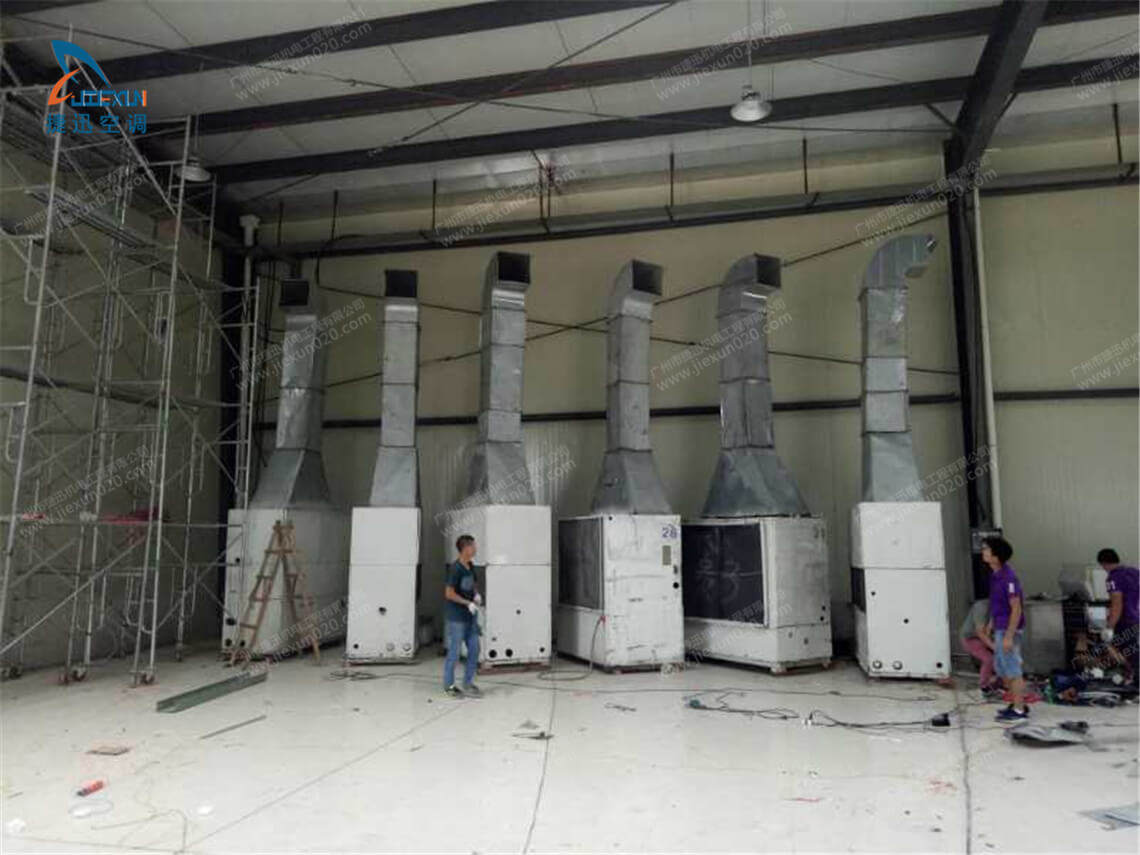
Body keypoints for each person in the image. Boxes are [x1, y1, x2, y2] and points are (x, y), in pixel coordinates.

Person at [982, 536, 1028, 721]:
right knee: (1004, 669)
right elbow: (997, 603)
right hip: (1000, 626)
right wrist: (990, 623)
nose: (983, 551)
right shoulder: (996, 575)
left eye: (986, 549)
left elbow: (1016, 609)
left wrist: (1009, 636)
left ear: (996, 555)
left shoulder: (1008, 578)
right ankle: (1017, 703)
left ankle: (1019, 710)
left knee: (1012, 670)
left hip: (1009, 629)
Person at [443, 534, 482, 698]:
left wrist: (476, 594)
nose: (475, 548)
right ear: (465, 548)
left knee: (475, 649)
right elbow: (449, 593)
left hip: (470, 618)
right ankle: (449, 685)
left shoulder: (470, 565)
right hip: (457, 618)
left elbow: (473, 584)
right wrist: (467, 603)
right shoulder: (455, 569)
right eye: (473, 546)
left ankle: (468, 682)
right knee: (454, 652)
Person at [1097, 548, 1139, 685]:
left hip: (1124, 620)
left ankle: (1135, 681)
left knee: (1119, 650)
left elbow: (1117, 604)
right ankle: (1132, 677)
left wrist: (1109, 627)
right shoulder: (1134, 572)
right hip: (1135, 616)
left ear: (1103, 563)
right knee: (1132, 651)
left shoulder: (1113, 577)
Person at [959, 599, 998, 694]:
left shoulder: (999, 607)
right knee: (988, 659)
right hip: (971, 638)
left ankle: (1000, 683)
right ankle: (984, 686)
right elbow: (980, 632)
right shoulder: (981, 607)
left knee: (1002, 658)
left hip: (986, 636)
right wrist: (994, 647)